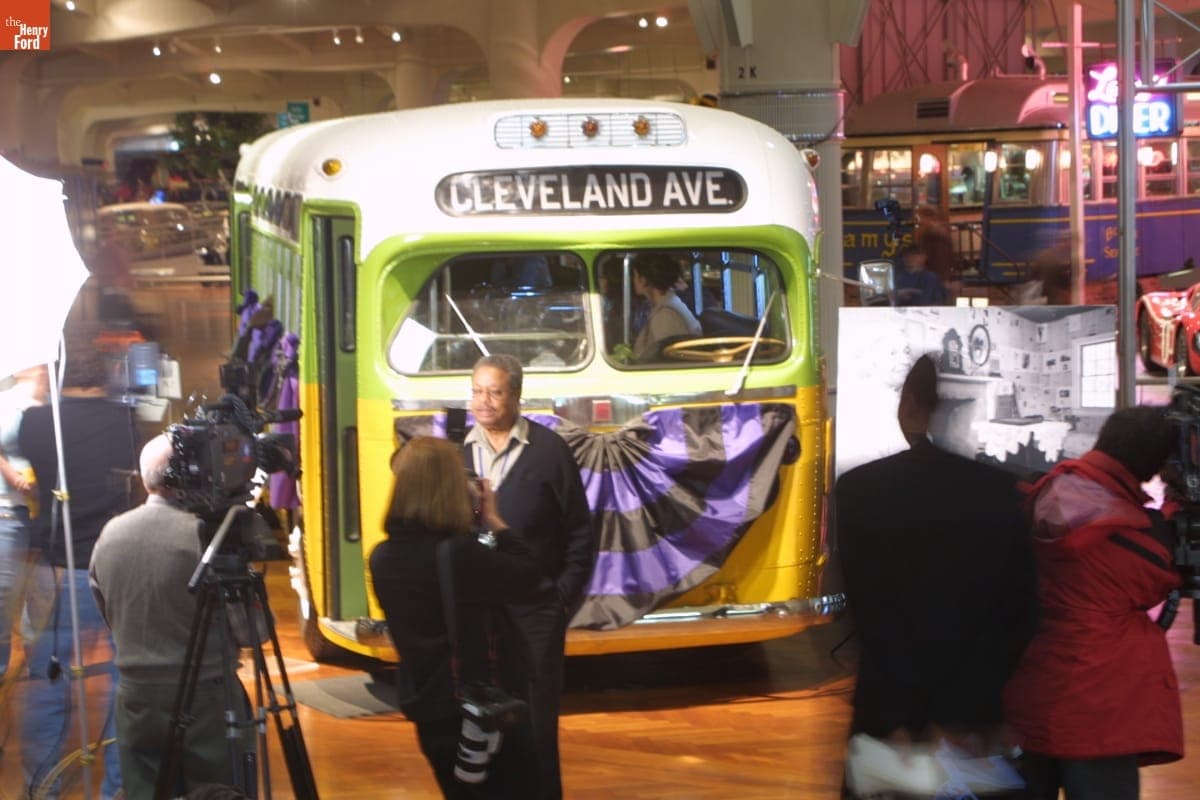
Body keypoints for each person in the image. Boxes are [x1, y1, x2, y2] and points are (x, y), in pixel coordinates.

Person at [836, 354, 1037, 797]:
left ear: (910, 406)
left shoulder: (858, 490)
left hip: (888, 705)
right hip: (973, 711)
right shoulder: (1000, 491)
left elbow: (866, 608)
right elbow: (1020, 612)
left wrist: (905, 711)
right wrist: (969, 705)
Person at [1003, 406, 1183, 800]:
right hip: (1101, 703)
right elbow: (1161, 574)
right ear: (1154, 464)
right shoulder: (1130, 530)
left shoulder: (1053, 489)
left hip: (1033, 683)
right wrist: (1174, 504)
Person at [369, 436, 552, 798]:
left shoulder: (382, 557)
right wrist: (495, 520)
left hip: (428, 707)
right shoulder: (461, 555)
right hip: (481, 711)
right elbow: (531, 575)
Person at [89, 434, 252, 799]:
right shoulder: (208, 538)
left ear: (146, 478)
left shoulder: (110, 534)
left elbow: (106, 608)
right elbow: (250, 632)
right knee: (217, 790)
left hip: (136, 694)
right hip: (206, 695)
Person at [463, 354, 595, 799]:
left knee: (536, 724)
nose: (483, 401)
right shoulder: (458, 453)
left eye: (494, 392)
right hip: (478, 615)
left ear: (516, 396)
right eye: (477, 390)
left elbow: (580, 532)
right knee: (484, 724)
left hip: (536, 612)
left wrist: (559, 600)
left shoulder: (549, 452)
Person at [18, 343, 138, 800]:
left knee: (48, 677)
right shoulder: (123, 420)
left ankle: (41, 784)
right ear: (104, 375)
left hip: (60, 565)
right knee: (124, 679)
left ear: (57, 375)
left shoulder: (36, 424)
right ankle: (117, 786)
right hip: (113, 563)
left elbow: (32, 463)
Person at [0, 366, 47, 685]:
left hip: (45, 509)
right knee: (4, 590)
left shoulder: (51, 408)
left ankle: (38, 662)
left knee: (41, 592)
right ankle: (2, 665)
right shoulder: (5, 403)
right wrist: (11, 475)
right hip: (8, 507)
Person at [630, 252, 702, 362]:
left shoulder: (665, 316)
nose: (633, 280)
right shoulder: (667, 305)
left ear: (643, 280)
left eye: (634, 275)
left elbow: (666, 360)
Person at [914, 205, 957, 298]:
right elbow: (950, 252)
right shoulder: (943, 230)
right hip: (943, 271)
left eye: (920, 216)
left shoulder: (924, 231)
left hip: (931, 269)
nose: (919, 220)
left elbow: (923, 251)